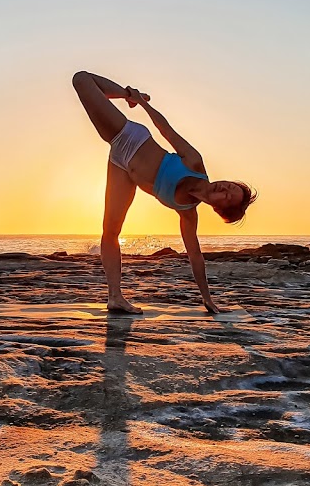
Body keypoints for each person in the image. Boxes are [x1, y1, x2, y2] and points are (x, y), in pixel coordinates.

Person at [72, 70, 257, 314]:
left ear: (220, 209)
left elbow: (196, 258)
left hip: (123, 169)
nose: (224, 188)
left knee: (110, 231)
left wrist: (207, 299)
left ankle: (115, 297)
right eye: (230, 186)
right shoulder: (195, 163)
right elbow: (166, 130)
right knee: (81, 79)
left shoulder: (188, 214)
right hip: (130, 138)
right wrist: (139, 102)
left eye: (228, 196)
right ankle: (128, 92)